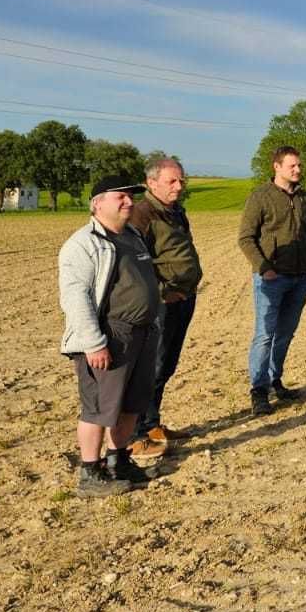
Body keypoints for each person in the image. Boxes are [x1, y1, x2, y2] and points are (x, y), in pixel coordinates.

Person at [59, 176, 165, 497]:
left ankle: (119, 460)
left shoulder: (132, 236)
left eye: (131, 197)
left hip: (142, 333)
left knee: (132, 403)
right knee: (99, 408)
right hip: (109, 336)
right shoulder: (83, 244)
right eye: (120, 197)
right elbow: (75, 297)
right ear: (97, 204)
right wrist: (93, 343)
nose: (128, 202)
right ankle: (90, 473)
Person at [127, 156, 202, 462]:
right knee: (151, 368)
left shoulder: (175, 212)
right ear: (151, 183)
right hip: (162, 303)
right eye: (172, 181)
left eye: (181, 180)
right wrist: (161, 293)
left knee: (166, 366)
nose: (179, 186)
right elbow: (133, 264)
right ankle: (135, 435)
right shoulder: (142, 215)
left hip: (184, 297)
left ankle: (152, 424)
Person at [238, 146, 306, 417]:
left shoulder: (305, 198)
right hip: (271, 279)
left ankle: (275, 380)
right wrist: (264, 268)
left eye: (299, 166)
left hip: (300, 277)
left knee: (285, 333)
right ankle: (258, 390)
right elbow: (246, 238)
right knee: (264, 335)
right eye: (292, 166)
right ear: (277, 166)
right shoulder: (260, 196)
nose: (298, 170)